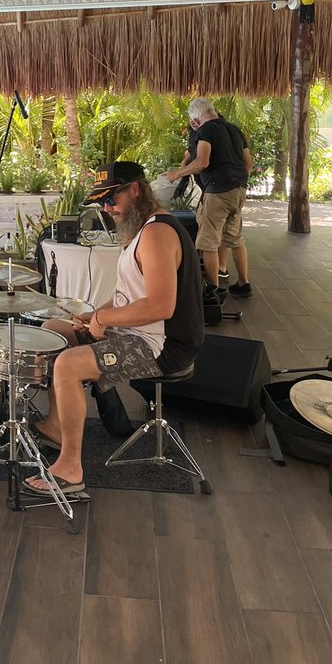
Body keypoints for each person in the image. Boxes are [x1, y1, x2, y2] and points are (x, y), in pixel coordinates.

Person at [26, 161, 203, 496]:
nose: (108, 209)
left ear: (135, 190)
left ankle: (70, 469)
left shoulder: (157, 233)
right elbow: (131, 297)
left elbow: (160, 306)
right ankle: (56, 426)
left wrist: (103, 321)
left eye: (112, 200)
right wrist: (93, 314)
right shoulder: (144, 229)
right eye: (103, 203)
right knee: (53, 331)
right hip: (142, 332)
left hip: (163, 346)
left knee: (68, 364)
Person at [165, 98, 253, 297]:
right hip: (238, 189)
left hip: (218, 191)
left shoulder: (205, 131)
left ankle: (212, 290)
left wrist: (176, 174)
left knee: (207, 242)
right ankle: (243, 283)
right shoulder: (234, 129)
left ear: (195, 120)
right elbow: (248, 163)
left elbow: (202, 162)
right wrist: (237, 180)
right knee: (235, 238)